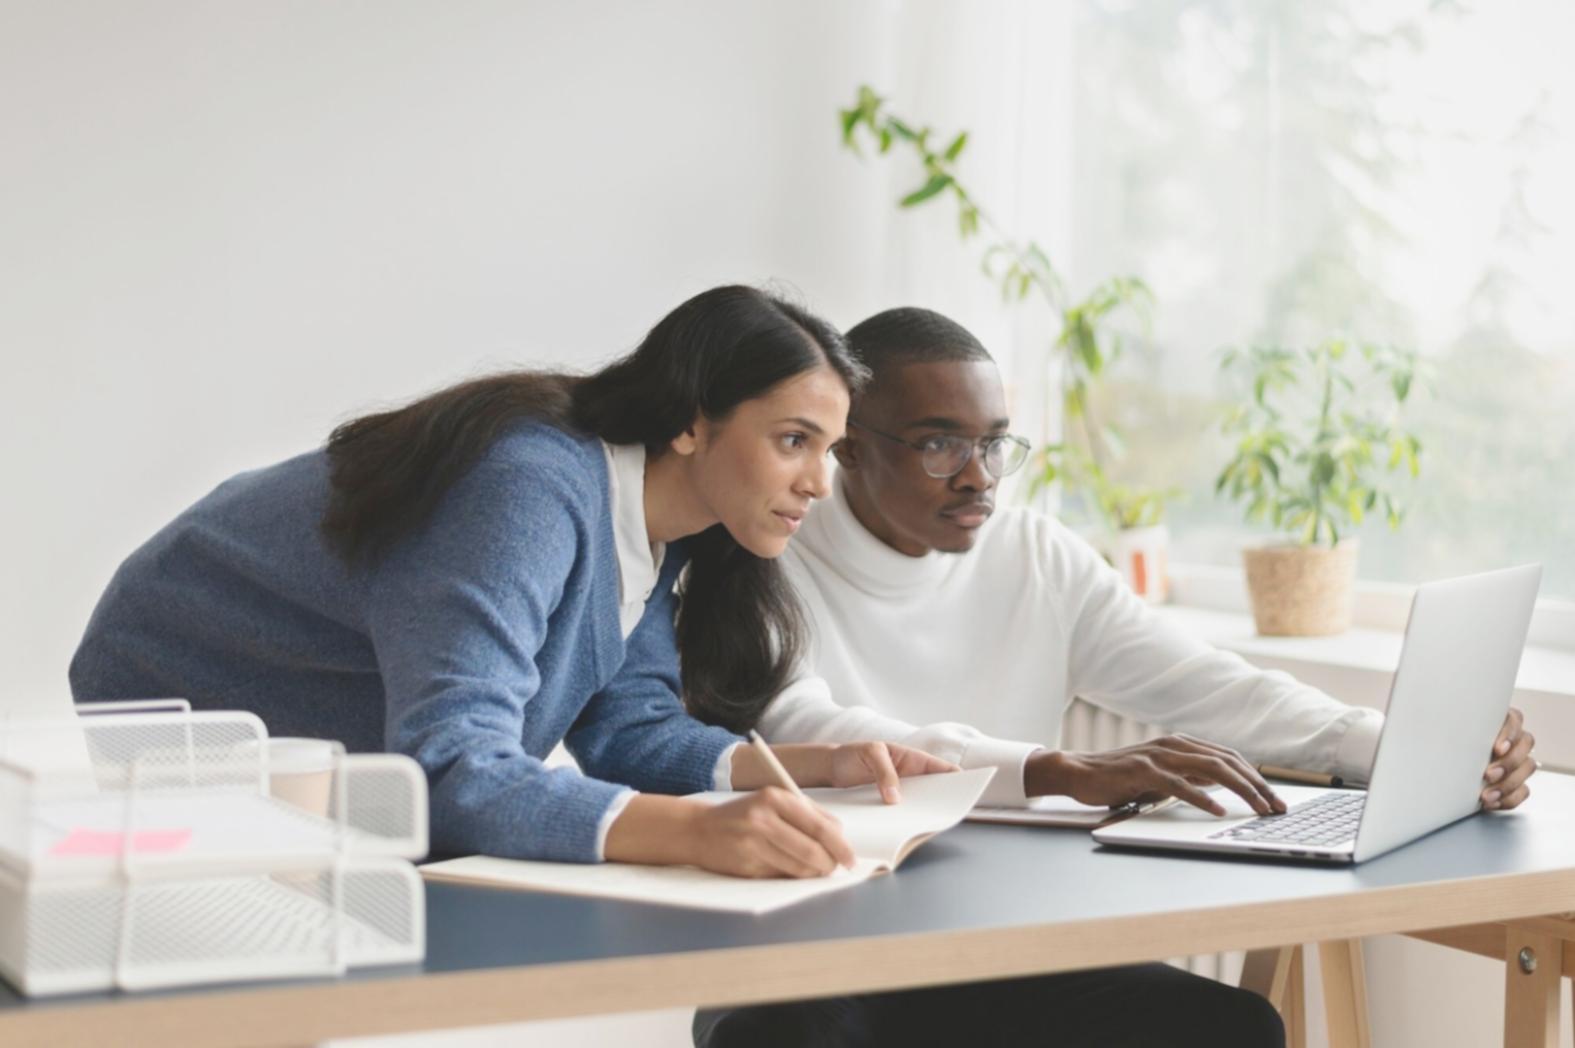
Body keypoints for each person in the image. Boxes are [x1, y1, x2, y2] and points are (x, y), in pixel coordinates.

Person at [693, 306, 1535, 1047]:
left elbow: (1205, 684)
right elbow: (807, 728)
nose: (978, 475)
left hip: (996, 942)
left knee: (1229, 1028)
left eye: (993, 443)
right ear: (846, 446)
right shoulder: (765, 555)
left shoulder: (1036, 556)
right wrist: (1057, 769)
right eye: (939, 444)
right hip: (813, 952)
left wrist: (1407, 751)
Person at [68, 286, 954, 877]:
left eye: (830, 450)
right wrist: (694, 830)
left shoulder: (663, 518)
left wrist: (811, 767)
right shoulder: (525, 489)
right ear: (693, 423)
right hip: (185, 691)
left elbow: (627, 727)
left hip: (325, 739)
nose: (818, 482)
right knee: (249, 994)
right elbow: (452, 765)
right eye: (793, 440)